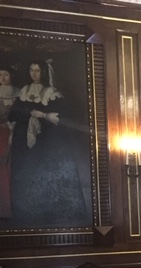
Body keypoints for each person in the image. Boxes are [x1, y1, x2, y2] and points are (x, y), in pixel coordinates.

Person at [7, 59, 88, 227]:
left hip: (46, 141)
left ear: (43, 72)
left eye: (37, 70)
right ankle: (26, 214)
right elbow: (13, 113)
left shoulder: (52, 92)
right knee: (26, 173)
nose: (34, 74)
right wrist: (30, 114)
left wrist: (43, 115)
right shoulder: (24, 91)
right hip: (24, 141)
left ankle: (49, 213)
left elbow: (63, 116)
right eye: (31, 70)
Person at [0, 65, 19, 218]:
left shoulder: (19, 92)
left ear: (11, 75)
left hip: (12, 133)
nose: (2, 78)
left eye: (5, 74)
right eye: (0, 75)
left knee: (9, 167)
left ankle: (10, 209)